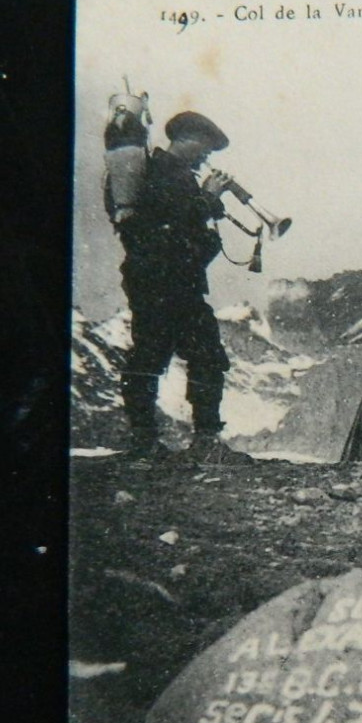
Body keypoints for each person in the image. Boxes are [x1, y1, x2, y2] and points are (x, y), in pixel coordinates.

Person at [117, 110, 251, 464]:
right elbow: (169, 224)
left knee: (202, 354)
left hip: (178, 282)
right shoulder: (160, 171)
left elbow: (185, 229)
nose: (207, 156)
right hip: (159, 281)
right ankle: (150, 439)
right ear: (188, 139)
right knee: (153, 355)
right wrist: (207, 199)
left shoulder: (179, 178)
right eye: (205, 147)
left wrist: (207, 210)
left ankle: (197, 438)